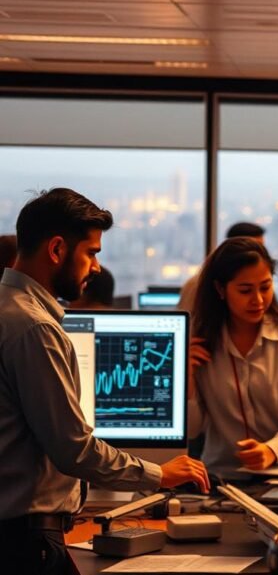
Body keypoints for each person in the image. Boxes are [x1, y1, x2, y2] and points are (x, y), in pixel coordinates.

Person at [0, 188, 209, 575]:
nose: (96, 267)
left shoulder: (9, 309)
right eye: (91, 253)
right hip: (24, 544)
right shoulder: (34, 329)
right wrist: (160, 474)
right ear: (57, 249)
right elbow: (73, 449)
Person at [188, 237, 278, 478]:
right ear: (220, 289)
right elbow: (192, 430)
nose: (258, 300)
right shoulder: (200, 342)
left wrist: (272, 450)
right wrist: (185, 378)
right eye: (245, 290)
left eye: (265, 287)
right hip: (221, 477)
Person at [177, 222, 265, 314]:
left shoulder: (262, 283)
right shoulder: (198, 285)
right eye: (245, 291)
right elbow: (190, 320)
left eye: (265, 288)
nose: (259, 255)